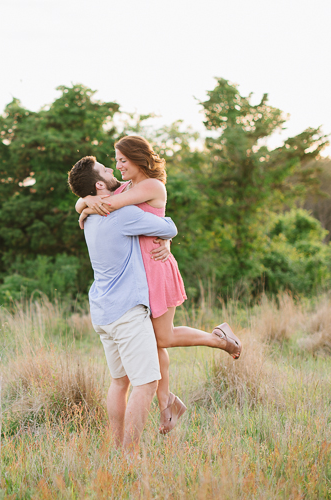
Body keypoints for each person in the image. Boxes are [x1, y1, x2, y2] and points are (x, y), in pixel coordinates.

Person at [76, 136, 242, 434]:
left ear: (138, 158)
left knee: (162, 338)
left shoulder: (151, 186)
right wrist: (85, 201)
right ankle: (168, 405)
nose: (118, 166)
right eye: (114, 161)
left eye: (122, 160)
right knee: (153, 340)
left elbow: (111, 204)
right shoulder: (123, 187)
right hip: (138, 271)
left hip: (155, 264)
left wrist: (89, 206)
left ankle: (220, 339)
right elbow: (98, 198)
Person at [67, 155, 178, 454]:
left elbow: (84, 204)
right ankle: (130, 456)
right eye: (106, 169)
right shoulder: (123, 215)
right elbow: (169, 227)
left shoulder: (89, 215)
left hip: (102, 312)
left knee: (120, 383)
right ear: (100, 184)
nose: (113, 169)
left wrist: (84, 203)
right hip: (127, 312)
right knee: (147, 384)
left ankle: (117, 449)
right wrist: (165, 239)